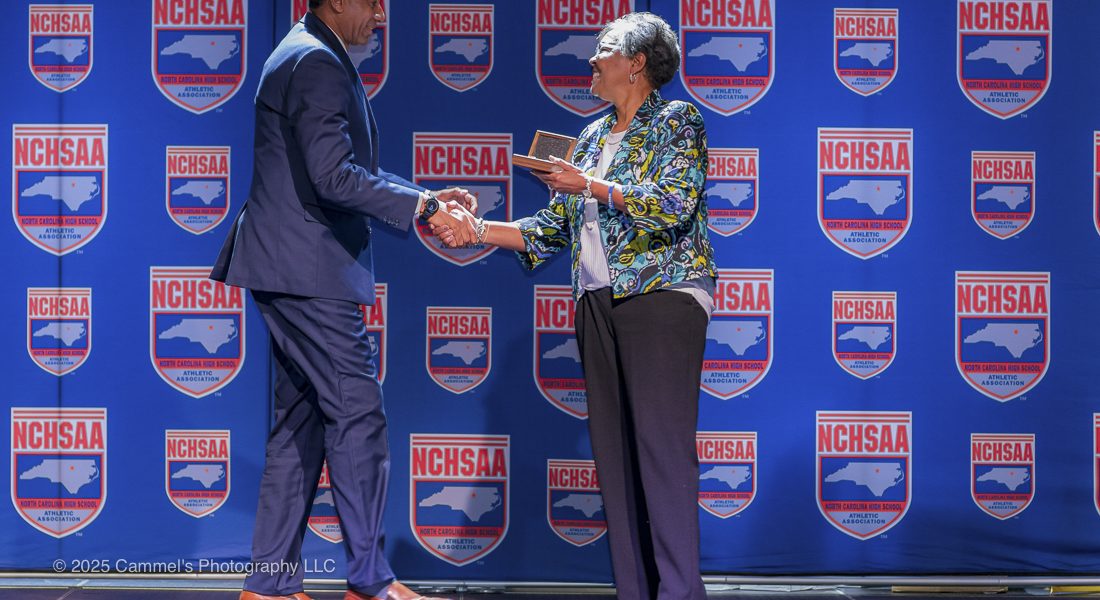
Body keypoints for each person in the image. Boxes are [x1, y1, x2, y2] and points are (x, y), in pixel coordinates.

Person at [433, 12, 717, 600]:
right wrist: (475, 229)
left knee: (662, 453)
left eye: (604, 50)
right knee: (614, 459)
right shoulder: (588, 138)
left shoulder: (677, 119)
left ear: (636, 64)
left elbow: (672, 203)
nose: (591, 59)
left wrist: (590, 185)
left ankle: (681, 593)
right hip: (596, 301)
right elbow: (549, 229)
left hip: (660, 296)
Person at [210, 0, 476, 599]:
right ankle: (371, 583)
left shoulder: (306, 51)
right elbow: (333, 177)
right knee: (358, 415)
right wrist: (425, 207)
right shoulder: (316, 62)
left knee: (299, 424)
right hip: (307, 269)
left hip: (288, 264)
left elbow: (336, 169)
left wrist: (426, 198)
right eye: (372, 1)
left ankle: (269, 586)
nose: (382, 13)